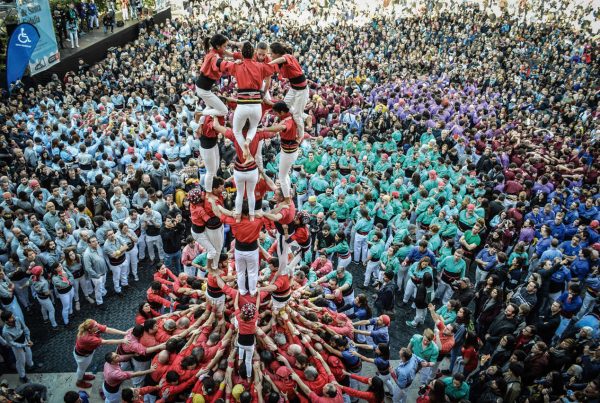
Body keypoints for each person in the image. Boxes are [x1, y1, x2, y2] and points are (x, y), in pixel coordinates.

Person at [73, 319, 127, 388]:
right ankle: (79, 382)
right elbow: (106, 342)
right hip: (82, 356)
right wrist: (122, 340)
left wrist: (124, 333)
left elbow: (107, 329)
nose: (98, 326)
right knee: (81, 369)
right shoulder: (87, 338)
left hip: (87, 352)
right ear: (90, 329)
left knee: (83, 368)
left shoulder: (92, 327)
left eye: (97, 324)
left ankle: (83, 376)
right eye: (96, 326)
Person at [1, 311, 39, 383]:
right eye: (11, 317)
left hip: (24, 340)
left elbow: (25, 328)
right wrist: (24, 345)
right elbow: (11, 343)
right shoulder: (5, 332)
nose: (14, 317)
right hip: (17, 346)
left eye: (13, 315)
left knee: (29, 353)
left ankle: (31, 365)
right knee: (21, 361)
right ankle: (22, 376)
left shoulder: (17, 319)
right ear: (6, 321)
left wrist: (28, 339)